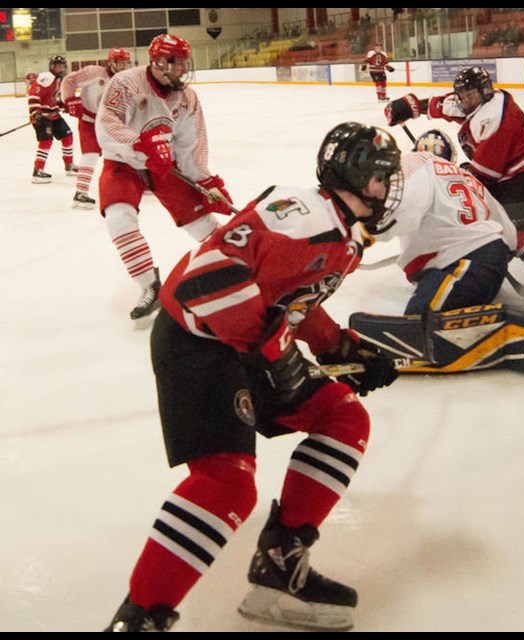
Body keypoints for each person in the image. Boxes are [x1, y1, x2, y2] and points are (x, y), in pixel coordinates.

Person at [103, 122, 403, 632]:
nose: (387, 188)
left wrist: (339, 346)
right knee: (227, 484)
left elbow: (290, 298)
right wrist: (274, 352)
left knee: (342, 416)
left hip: (243, 341)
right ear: (359, 177)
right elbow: (207, 281)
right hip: (197, 343)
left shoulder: (338, 231)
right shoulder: (304, 217)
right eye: (382, 177)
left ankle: (280, 563)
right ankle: (140, 620)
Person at [348, 129, 524, 374]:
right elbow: (508, 232)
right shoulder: (465, 177)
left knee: (419, 321)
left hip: (466, 262)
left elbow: (400, 209)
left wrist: (360, 235)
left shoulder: (413, 163)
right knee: (429, 297)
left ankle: (514, 334)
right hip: (482, 263)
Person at [96, 34, 234, 321]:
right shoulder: (125, 83)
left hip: (165, 166)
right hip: (123, 163)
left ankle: (239, 263)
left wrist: (207, 183)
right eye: (174, 62)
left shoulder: (187, 98)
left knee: (201, 222)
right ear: (156, 61)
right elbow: (107, 124)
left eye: (184, 63)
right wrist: (138, 143)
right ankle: (149, 285)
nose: (181, 69)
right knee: (118, 217)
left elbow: (191, 146)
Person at [384, 66, 524, 276]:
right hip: (513, 172)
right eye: (463, 96)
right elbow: (448, 105)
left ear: (485, 91)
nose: (465, 101)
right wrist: (411, 107)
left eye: (470, 95)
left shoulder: (493, 120)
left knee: (512, 232)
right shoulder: (479, 103)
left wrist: (457, 178)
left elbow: (486, 176)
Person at [59, 47, 132, 209]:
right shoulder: (95, 72)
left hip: (111, 123)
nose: (124, 67)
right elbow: (69, 80)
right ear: (111, 63)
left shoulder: (127, 80)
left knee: (128, 151)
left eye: (126, 63)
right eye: (121, 63)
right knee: (90, 155)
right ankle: (81, 193)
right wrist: (70, 100)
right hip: (89, 121)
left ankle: (138, 183)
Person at [27, 55, 76, 184]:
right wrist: (35, 112)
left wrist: (62, 106)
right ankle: (38, 171)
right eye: (58, 66)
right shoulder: (46, 77)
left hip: (53, 115)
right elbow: (34, 94)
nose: (61, 68)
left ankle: (69, 165)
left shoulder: (59, 79)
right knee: (46, 141)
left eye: (63, 66)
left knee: (68, 136)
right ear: (52, 67)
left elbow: (52, 98)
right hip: (41, 116)